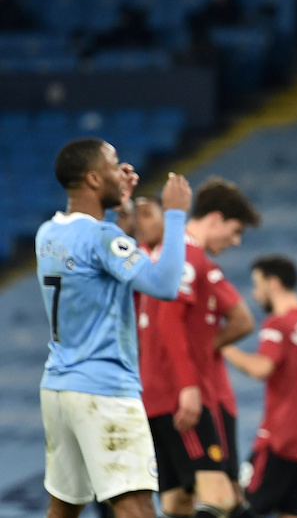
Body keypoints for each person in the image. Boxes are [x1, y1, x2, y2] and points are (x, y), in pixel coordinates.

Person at [35, 137, 192, 518]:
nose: (123, 171)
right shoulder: (102, 238)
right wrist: (174, 215)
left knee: (64, 509)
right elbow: (165, 284)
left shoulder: (48, 234)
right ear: (92, 178)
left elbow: (93, 254)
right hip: (104, 391)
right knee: (137, 507)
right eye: (113, 164)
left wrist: (116, 203)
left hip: (59, 388)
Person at [137, 177, 260, 518]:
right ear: (215, 218)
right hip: (183, 395)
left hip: (154, 394)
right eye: (234, 231)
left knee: (177, 503)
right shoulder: (188, 256)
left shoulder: (160, 253)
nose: (234, 242)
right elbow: (168, 322)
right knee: (221, 497)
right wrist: (190, 384)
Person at [222, 255, 297, 518]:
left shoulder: (278, 324)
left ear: (274, 284)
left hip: (280, 438)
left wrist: (223, 345)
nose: (255, 293)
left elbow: (261, 368)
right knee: (291, 512)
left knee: (239, 507)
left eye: (257, 285)